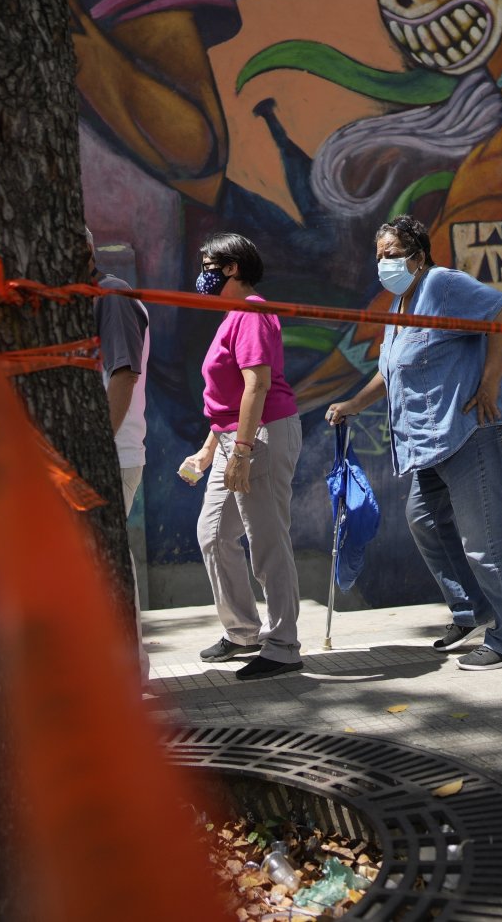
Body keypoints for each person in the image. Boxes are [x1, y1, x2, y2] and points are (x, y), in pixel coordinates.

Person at [326, 217, 502, 671]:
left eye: (393, 253)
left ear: (418, 256)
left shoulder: (441, 283)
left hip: (470, 427)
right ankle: (472, 610)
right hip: (429, 442)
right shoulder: (399, 307)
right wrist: (354, 403)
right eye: (378, 255)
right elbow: (391, 370)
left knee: (485, 539)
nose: (383, 262)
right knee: (422, 519)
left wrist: (492, 383)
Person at [180, 233, 304, 680]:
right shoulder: (232, 315)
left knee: (267, 538)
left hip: (262, 436)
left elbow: (257, 386)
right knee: (213, 534)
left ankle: (283, 645)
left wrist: (244, 451)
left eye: (208, 262)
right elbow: (228, 398)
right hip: (236, 437)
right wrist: (212, 448)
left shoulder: (252, 310)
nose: (202, 271)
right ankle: (242, 632)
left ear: (232, 267)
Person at [87, 228, 152, 675]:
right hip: (102, 452)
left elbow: (124, 375)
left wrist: (95, 447)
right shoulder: (90, 297)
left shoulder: (111, 295)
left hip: (110, 454)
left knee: (105, 564)